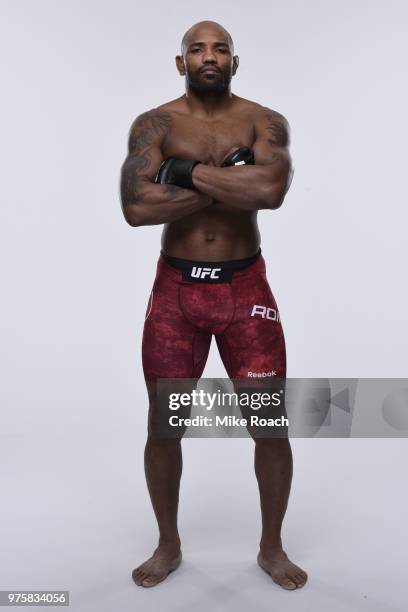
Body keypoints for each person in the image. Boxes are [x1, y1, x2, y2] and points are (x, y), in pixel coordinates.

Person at [120, 20, 307, 591]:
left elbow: (271, 191)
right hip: (176, 293)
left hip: (245, 291)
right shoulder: (154, 123)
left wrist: (178, 174)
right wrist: (225, 176)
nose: (209, 55)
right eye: (196, 49)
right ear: (181, 63)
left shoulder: (262, 120)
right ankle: (168, 544)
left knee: (269, 426)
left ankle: (271, 547)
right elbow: (135, 205)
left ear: (234, 61)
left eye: (219, 48)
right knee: (164, 425)